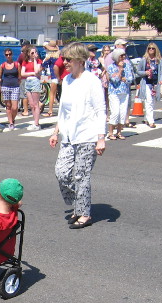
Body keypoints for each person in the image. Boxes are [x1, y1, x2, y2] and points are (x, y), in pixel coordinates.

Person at [49, 42, 106, 230]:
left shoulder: (92, 81)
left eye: (68, 59)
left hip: (87, 136)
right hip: (68, 136)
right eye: (63, 59)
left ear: (80, 60)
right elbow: (63, 110)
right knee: (61, 173)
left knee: (81, 176)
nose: (64, 62)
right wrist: (56, 132)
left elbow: (100, 110)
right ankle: (79, 205)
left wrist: (101, 137)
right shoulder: (67, 80)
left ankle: (84, 213)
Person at [106, 48, 133, 140]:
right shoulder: (111, 67)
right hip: (114, 92)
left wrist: (124, 78)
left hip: (124, 92)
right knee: (115, 112)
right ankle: (110, 132)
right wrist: (120, 70)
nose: (123, 57)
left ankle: (119, 132)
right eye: (121, 56)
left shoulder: (127, 66)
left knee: (122, 112)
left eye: (124, 55)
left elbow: (130, 79)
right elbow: (114, 80)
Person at [137, 43, 162, 128]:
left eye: (153, 48)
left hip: (155, 84)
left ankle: (146, 118)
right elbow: (138, 71)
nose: (151, 50)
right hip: (146, 83)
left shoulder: (159, 60)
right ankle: (151, 121)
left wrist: (161, 80)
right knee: (148, 101)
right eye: (149, 48)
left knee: (152, 102)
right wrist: (145, 73)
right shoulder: (144, 60)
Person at [21, 46, 43, 131]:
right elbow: (22, 73)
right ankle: (35, 121)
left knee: (36, 104)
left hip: (35, 82)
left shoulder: (38, 61)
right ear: (28, 53)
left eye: (35, 52)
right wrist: (32, 73)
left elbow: (37, 71)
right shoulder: (25, 62)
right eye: (32, 53)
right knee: (31, 104)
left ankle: (37, 123)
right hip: (28, 82)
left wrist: (35, 60)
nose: (34, 54)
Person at [0, 47, 20, 130]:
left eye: (10, 54)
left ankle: (12, 119)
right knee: (8, 106)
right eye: (6, 55)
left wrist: (19, 84)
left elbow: (19, 76)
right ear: (4, 55)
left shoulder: (17, 64)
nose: (8, 56)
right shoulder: (3, 65)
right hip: (5, 86)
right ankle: (10, 122)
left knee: (15, 107)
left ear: (12, 54)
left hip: (15, 86)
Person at [42, 41, 60, 117]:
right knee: (60, 93)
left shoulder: (50, 57)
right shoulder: (60, 56)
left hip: (52, 76)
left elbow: (43, 66)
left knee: (51, 93)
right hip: (60, 77)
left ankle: (50, 111)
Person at [17, 40, 31, 116]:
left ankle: (26, 110)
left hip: (24, 76)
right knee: (31, 93)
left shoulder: (22, 55)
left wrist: (18, 75)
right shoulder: (33, 54)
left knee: (24, 94)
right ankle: (39, 103)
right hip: (32, 76)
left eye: (22, 46)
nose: (21, 47)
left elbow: (18, 65)